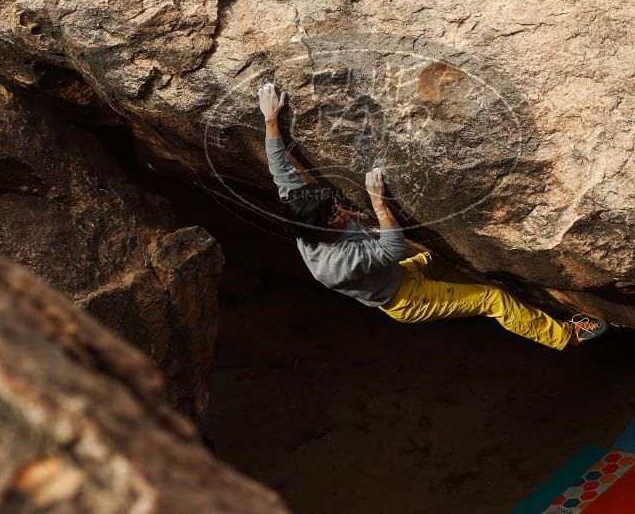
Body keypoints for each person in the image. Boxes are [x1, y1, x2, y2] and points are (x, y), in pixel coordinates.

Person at [257, 82, 608, 350]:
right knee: (492, 299)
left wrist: (271, 117)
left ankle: (529, 311)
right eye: (336, 215)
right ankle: (564, 336)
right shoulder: (333, 265)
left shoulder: (301, 209)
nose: (345, 212)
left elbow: (280, 169)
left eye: (338, 205)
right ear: (319, 229)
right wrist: (379, 203)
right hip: (405, 298)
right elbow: (391, 250)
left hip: (402, 274)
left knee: (467, 276)